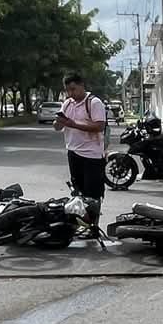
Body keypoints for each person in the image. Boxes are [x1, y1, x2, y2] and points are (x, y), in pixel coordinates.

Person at [54, 73, 107, 230]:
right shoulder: (67, 104)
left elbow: (99, 126)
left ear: (82, 85)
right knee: (78, 192)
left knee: (93, 194)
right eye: (67, 91)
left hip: (92, 155)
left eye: (73, 89)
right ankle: (81, 224)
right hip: (73, 152)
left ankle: (94, 226)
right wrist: (59, 123)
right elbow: (58, 127)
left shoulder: (94, 103)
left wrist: (72, 124)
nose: (71, 94)